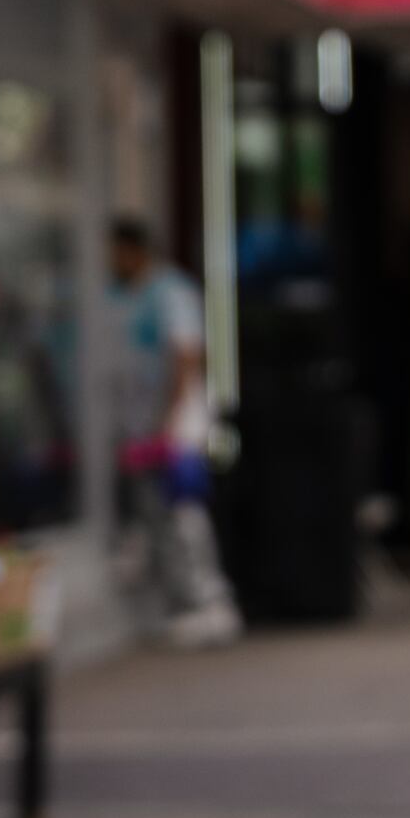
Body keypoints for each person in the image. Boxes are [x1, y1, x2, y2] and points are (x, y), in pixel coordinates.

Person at [108, 214, 241, 647]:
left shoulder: (169, 292)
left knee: (183, 515)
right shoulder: (122, 295)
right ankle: (177, 604)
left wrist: (167, 424)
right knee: (154, 517)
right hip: (142, 424)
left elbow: (185, 356)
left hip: (175, 425)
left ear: (133, 249)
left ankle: (209, 603)